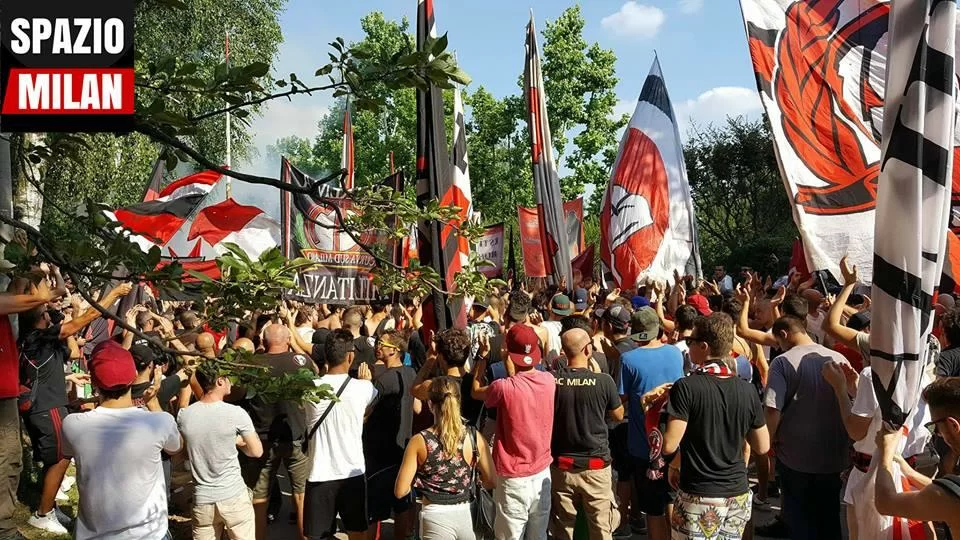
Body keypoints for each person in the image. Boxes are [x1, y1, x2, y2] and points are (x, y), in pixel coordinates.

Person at [19, 281, 131, 534]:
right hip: (48, 407)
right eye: (47, 313)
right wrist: (113, 293)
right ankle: (42, 513)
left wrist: (68, 378)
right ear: (39, 318)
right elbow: (89, 317)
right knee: (60, 458)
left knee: (53, 458)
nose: (51, 315)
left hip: (43, 404)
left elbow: (59, 359)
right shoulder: (40, 335)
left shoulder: (34, 338)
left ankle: (49, 504)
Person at [662, 313, 770, 540]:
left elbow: (670, 443)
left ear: (703, 346)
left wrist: (651, 414)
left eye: (690, 342)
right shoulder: (747, 390)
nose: (688, 346)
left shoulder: (686, 387)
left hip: (699, 493)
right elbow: (762, 446)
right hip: (736, 493)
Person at [61, 341, 182, 539]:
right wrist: (153, 404)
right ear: (134, 375)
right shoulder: (159, 422)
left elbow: (67, 453)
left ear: (94, 382)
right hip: (151, 534)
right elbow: (176, 447)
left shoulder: (73, 425)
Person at [765, 315, 850, 540]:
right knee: (830, 517)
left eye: (778, 341)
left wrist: (766, 443)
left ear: (783, 334)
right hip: (833, 455)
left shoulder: (782, 362)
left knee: (800, 520)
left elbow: (772, 409)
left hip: (795, 457)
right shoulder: (837, 357)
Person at [472, 324, 556, 540]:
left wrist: (482, 358)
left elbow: (475, 391)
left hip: (512, 477)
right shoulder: (549, 381)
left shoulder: (503, 387)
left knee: (509, 536)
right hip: (541, 473)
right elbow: (521, 382)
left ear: (507, 352)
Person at [0, 272, 66, 540]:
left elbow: (25, 294)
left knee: (11, 459)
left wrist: (27, 268)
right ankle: (3, 530)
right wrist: (50, 276)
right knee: (7, 459)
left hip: (7, 392)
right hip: (3, 393)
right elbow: (43, 296)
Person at [238, 324, 317, 540]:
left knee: (260, 497)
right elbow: (316, 374)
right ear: (288, 340)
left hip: (262, 440)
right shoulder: (300, 362)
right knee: (301, 495)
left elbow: (238, 393)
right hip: (295, 438)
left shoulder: (252, 365)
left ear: (263, 342)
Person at [395, 376, 496, 540]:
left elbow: (400, 491)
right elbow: (492, 480)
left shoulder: (420, 441)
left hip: (434, 516)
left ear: (430, 404)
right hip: (468, 514)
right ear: (458, 401)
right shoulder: (473, 436)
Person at [302, 329, 378, 540]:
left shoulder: (310, 389)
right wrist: (367, 381)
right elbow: (365, 412)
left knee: (316, 535)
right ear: (350, 356)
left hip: (319, 472)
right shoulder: (364, 389)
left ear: (325, 357)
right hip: (352, 473)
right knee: (357, 531)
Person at [550, 329, 624, 539]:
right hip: (596, 466)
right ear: (588, 349)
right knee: (601, 528)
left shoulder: (552, 381)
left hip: (562, 466)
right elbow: (618, 415)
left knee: (564, 528)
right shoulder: (604, 381)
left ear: (563, 352)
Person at [618, 307, 684, 540]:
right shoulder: (676, 353)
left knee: (652, 511)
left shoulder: (627, 359)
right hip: (675, 441)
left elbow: (621, 399)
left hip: (643, 446)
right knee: (670, 498)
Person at [178, 366, 263, 540]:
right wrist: (239, 443)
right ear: (220, 381)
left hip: (202, 500)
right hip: (233, 496)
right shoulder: (236, 413)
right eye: (229, 378)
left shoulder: (185, 416)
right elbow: (257, 451)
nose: (231, 383)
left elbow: (186, 453)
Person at [875, 377, 960, 535]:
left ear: (953, 425)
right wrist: (908, 471)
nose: (938, 435)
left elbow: (885, 502)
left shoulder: (950, 497)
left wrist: (885, 452)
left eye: (936, 427)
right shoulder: (948, 493)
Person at [364, 330, 417, 539]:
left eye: (382, 344)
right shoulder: (411, 374)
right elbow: (419, 408)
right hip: (403, 447)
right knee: (401, 503)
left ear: (394, 351)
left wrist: (364, 384)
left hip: (379, 453)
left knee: (373, 509)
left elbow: (363, 413)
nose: (378, 346)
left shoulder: (383, 381)